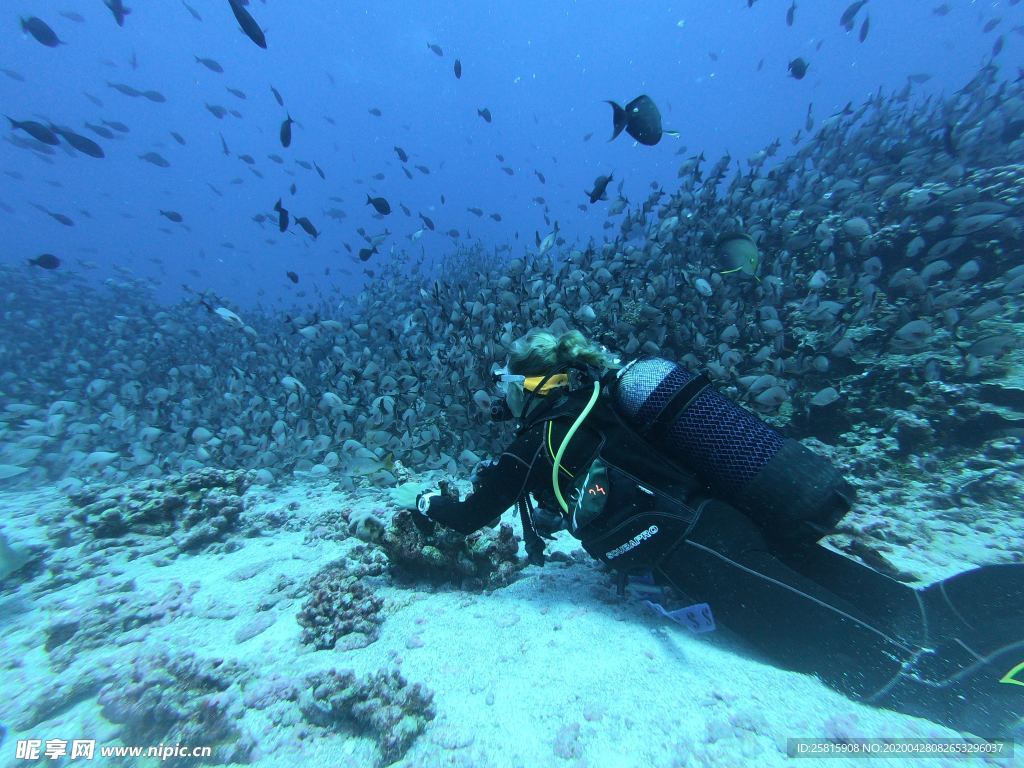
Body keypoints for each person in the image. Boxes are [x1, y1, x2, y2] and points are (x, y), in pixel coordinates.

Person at [398, 328, 1023, 737]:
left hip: (701, 549)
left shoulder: (542, 436)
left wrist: (427, 502)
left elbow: (471, 514)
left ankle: (986, 698)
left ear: (529, 386)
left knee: (872, 668)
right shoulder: (607, 403)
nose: (505, 402)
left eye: (508, 388)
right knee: (915, 610)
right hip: (733, 515)